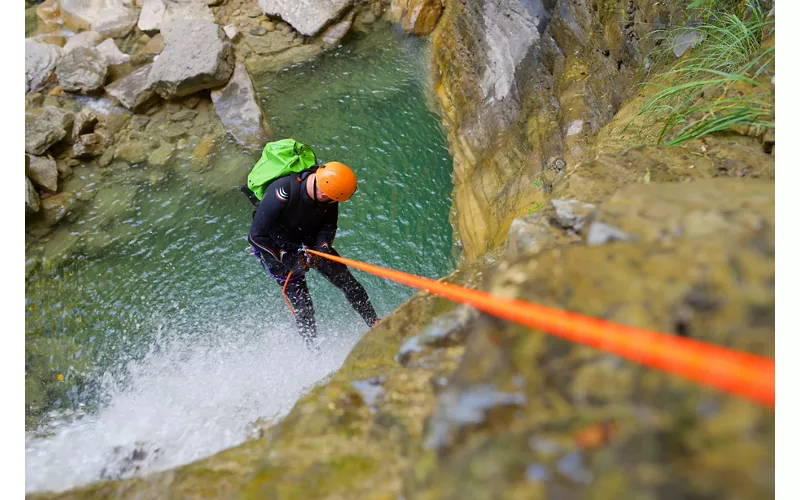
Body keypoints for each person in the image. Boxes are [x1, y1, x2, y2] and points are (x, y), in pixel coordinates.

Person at [244, 161, 381, 350]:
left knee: (348, 282)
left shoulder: (330, 192)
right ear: (324, 193)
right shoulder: (282, 192)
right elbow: (256, 236)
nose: (334, 203)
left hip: (308, 243)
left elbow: (328, 227)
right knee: (303, 305)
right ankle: (312, 347)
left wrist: (322, 249)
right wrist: (289, 259)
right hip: (276, 249)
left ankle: (374, 322)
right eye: (332, 200)